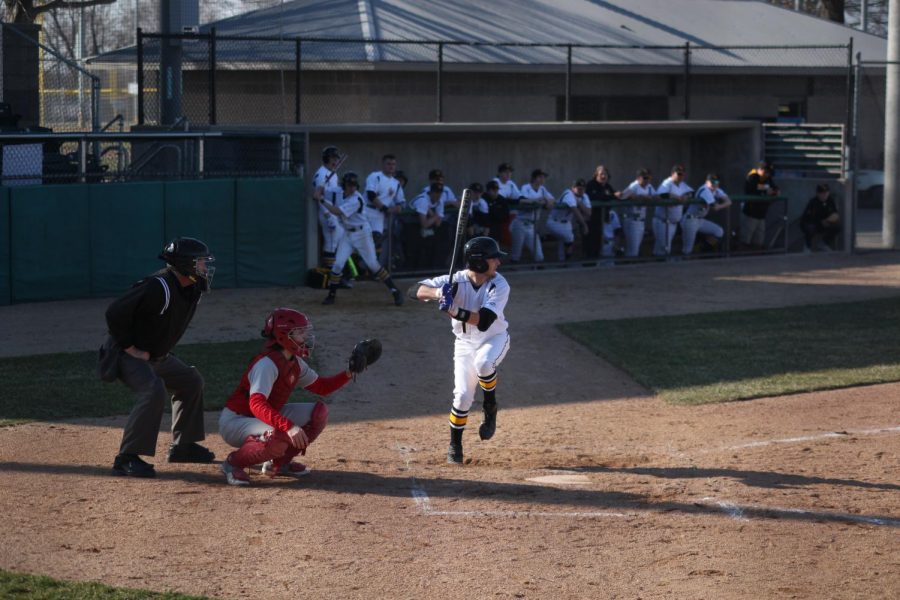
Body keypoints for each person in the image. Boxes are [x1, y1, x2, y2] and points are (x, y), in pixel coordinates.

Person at [102, 237, 216, 478]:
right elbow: (114, 312)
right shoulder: (158, 286)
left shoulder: (191, 288)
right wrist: (130, 348)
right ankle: (126, 458)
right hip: (125, 354)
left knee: (190, 381)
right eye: (200, 263)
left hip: (156, 356)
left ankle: (183, 446)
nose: (205, 268)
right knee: (152, 390)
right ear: (185, 264)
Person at [218, 308, 368, 486]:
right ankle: (233, 463)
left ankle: (280, 463)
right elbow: (256, 404)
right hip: (236, 421)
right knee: (280, 435)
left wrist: (349, 372)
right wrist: (288, 427)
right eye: (300, 332)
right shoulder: (266, 364)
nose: (305, 337)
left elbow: (322, 387)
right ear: (283, 335)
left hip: (263, 417)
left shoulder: (295, 363)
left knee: (318, 412)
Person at [415, 237, 511, 464]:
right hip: (464, 344)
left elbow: (485, 321)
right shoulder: (455, 280)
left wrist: (454, 310)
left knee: (484, 363)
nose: (498, 261)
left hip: (495, 338)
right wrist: (438, 294)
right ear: (479, 263)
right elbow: (416, 290)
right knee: (462, 397)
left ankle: (490, 406)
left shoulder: (500, 284)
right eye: (493, 258)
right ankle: (455, 446)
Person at [320, 172, 405, 306]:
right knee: (337, 264)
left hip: (362, 234)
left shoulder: (357, 199)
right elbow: (325, 190)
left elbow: (337, 211)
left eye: (354, 185)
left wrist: (321, 200)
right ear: (344, 185)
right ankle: (331, 295)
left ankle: (395, 291)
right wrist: (320, 190)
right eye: (349, 185)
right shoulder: (338, 191)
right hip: (347, 234)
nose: (352, 188)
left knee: (373, 265)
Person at [313, 146, 349, 285]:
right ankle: (331, 278)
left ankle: (335, 276)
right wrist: (328, 216)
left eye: (336, 158)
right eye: (333, 158)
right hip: (327, 213)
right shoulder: (322, 174)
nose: (335, 161)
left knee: (337, 243)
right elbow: (319, 196)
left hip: (333, 212)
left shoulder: (331, 173)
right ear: (327, 158)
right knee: (331, 244)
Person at [364, 154, 404, 267]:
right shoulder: (375, 176)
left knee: (376, 241)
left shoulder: (396, 183)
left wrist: (398, 208)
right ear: (383, 164)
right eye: (388, 164)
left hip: (379, 216)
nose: (391, 166)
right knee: (363, 240)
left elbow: (401, 202)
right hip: (367, 211)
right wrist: (385, 208)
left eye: (393, 164)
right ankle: (361, 267)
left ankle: (372, 268)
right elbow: (371, 195)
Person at [681, 173, 732, 256]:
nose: (714, 184)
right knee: (687, 250)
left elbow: (729, 201)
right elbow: (715, 207)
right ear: (707, 182)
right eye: (712, 182)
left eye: (716, 182)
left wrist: (719, 206)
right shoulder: (705, 190)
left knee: (719, 231)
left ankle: (700, 249)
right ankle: (681, 266)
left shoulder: (716, 189)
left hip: (699, 220)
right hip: (689, 220)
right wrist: (719, 206)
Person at [512, 168, 552, 263]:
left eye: (543, 177)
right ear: (534, 178)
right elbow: (524, 201)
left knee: (539, 256)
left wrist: (545, 201)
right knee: (516, 254)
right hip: (520, 223)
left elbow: (552, 201)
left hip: (531, 226)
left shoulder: (542, 189)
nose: (542, 179)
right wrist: (539, 200)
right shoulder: (526, 187)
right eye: (540, 177)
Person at [545, 178, 590, 262]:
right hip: (554, 222)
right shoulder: (568, 194)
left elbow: (589, 212)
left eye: (583, 188)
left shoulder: (584, 196)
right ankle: (567, 260)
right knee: (569, 237)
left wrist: (579, 203)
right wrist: (584, 225)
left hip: (567, 223)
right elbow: (575, 210)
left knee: (563, 242)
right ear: (573, 188)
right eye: (578, 188)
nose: (581, 190)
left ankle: (562, 262)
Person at [653, 164, 694, 257]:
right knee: (665, 248)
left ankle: (655, 267)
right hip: (663, 222)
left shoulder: (682, 184)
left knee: (661, 249)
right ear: (672, 173)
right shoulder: (667, 183)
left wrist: (686, 196)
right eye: (678, 174)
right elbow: (660, 195)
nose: (681, 176)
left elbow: (693, 192)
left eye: (682, 174)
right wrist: (675, 197)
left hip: (673, 223)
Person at [740, 161, 779, 250]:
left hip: (761, 214)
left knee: (759, 242)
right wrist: (766, 190)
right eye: (766, 172)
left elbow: (774, 187)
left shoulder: (767, 178)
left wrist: (776, 190)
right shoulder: (752, 176)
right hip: (751, 213)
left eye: (769, 173)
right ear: (761, 169)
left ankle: (756, 260)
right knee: (746, 240)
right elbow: (752, 188)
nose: (768, 175)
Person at [584, 165, 620, 259]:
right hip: (591, 219)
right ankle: (589, 266)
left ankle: (598, 266)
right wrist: (613, 196)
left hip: (604, 219)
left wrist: (620, 195)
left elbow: (613, 195)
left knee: (603, 243)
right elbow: (596, 198)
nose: (603, 176)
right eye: (601, 174)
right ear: (596, 175)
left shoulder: (607, 186)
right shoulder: (591, 184)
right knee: (591, 244)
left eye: (605, 174)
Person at [619, 168, 655, 258]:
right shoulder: (633, 186)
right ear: (639, 178)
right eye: (645, 178)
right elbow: (622, 196)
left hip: (641, 221)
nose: (647, 180)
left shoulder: (649, 186)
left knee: (635, 249)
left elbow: (657, 196)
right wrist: (637, 196)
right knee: (633, 251)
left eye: (648, 178)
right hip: (632, 220)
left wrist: (648, 197)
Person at [410, 183, 445, 268]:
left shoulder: (440, 201)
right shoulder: (423, 200)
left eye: (440, 192)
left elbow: (438, 223)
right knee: (413, 250)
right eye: (436, 192)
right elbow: (424, 224)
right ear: (431, 192)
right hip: (410, 225)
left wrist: (432, 214)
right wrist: (435, 216)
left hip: (424, 228)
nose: (438, 195)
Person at [800, 183, 841, 251]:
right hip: (811, 223)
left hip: (824, 222)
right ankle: (807, 246)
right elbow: (809, 219)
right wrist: (820, 222)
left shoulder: (830, 201)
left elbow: (835, 215)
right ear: (818, 193)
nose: (824, 195)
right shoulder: (813, 202)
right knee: (810, 227)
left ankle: (823, 243)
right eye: (822, 193)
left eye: (826, 192)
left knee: (837, 226)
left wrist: (827, 220)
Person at [483, 180, 511, 249]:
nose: (496, 192)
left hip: (496, 229)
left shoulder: (501, 199)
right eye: (493, 190)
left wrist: (493, 211)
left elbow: (505, 216)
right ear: (488, 190)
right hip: (482, 229)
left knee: (494, 251)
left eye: (497, 190)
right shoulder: (483, 198)